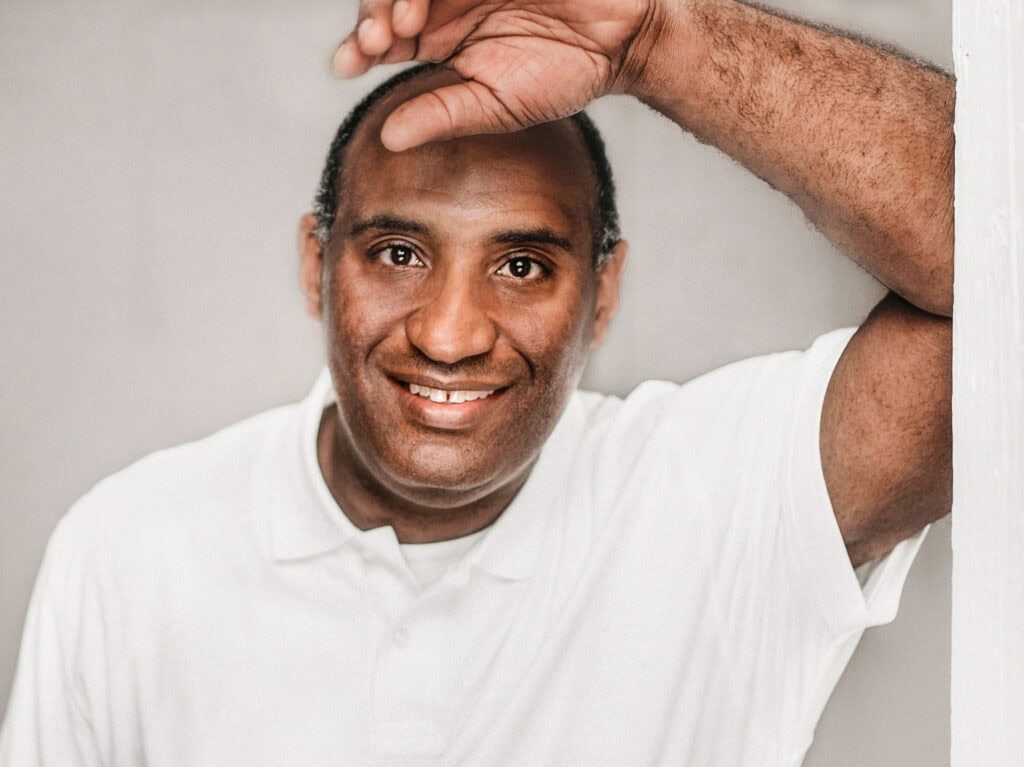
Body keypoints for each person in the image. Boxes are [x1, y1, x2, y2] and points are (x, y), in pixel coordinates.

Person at [0, 0, 953, 764]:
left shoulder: (724, 503)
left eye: (523, 265)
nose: (450, 335)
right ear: (316, 264)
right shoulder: (128, 551)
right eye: (399, 252)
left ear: (604, 291)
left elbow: (996, 255)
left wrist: (658, 38)